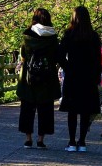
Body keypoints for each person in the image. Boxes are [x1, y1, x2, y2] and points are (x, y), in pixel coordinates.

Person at [57, 6, 102, 153]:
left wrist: (68, 67)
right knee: (85, 111)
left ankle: (71, 142)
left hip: (73, 77)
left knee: (72, 111)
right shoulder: (93, 36)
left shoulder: (69, 34)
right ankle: (82, 142)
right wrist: (96, 77)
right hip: (88, 77)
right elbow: (98, 59)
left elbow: (60, 55)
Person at [17, 8, 61, 149]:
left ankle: (28, 139)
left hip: (29, 77)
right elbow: (56, 56)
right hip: (46, 78)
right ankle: (41, 140)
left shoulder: (28, 35)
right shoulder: (53, 37)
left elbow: (23, 53)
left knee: (27, 108)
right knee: (45, 109)